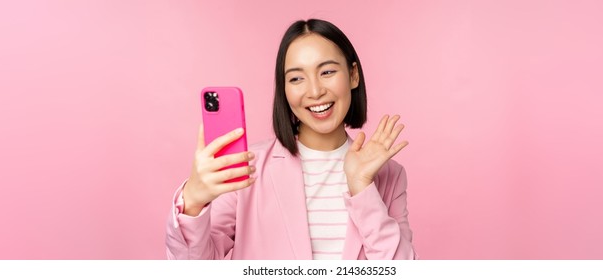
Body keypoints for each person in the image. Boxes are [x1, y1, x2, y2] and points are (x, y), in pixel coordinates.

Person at [166, 18, 417, 260]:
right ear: (284, 89)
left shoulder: (389, 176)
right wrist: (193, 204)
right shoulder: (247, 168)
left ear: (353, 75)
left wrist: (362, 187)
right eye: (296, 78)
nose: (315, 91)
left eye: (327, 71)